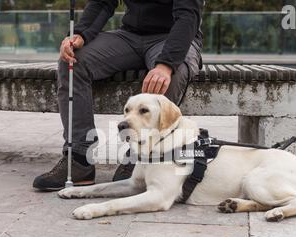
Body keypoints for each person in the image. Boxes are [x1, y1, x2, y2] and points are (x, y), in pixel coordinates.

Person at [33, 0, 204, 191]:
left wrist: (165, 64)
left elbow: (188, 16)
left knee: (171, 75)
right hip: (129, 36)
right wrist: (80, 34)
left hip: (172, 37)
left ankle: (140, 156)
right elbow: (102, 2)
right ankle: (79, 159)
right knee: (73, 62)